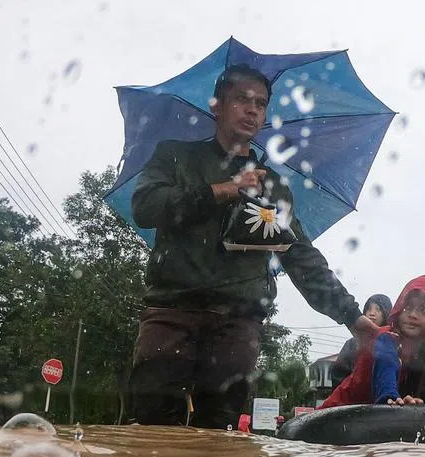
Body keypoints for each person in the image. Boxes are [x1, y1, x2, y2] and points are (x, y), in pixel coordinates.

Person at [126, 64, 377, 429]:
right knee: (150, 428)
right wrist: (225, 190)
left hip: (237, 324)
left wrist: (352, 317)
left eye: (260, 103)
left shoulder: (271, 186)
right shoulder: (176, 156)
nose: (252, 109)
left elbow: (301, 257)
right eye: (241, 99)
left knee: (220, 436)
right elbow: (145, 207)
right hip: (171, 314)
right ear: (217, 106)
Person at [321, 275, 425, 407]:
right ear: (399, 310)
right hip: (338, 412)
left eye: (424, 310)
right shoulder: (387, 339)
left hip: (370, 421)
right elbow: (386, 365)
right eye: (408, 307)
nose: (412, 314)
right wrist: (389, 398)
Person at [329, 294, 393, 388]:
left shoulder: (393, 342)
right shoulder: (352, 344)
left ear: (386, 313)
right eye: (368, 309)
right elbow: (338, 376)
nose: (372, 313)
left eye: (378, 309)